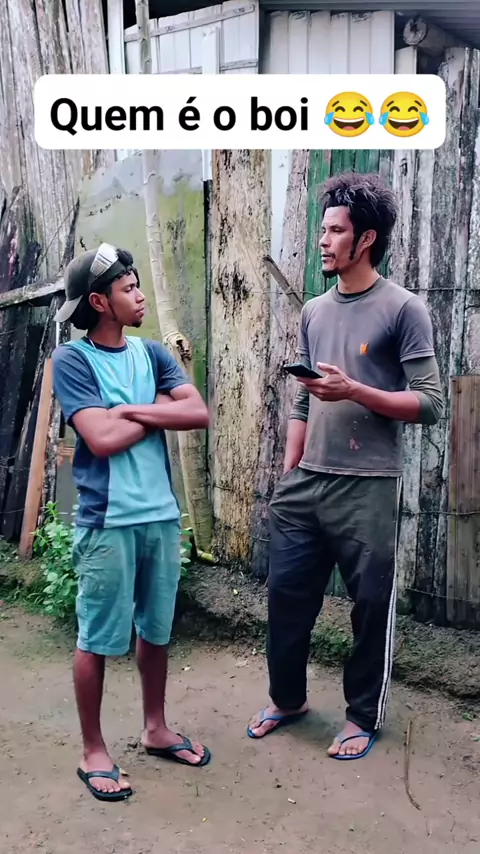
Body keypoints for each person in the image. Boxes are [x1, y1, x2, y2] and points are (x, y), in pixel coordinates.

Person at [248, 173, 443, 760]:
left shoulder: (403, 309)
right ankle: (287, 700)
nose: (323, 241)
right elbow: (305, 398)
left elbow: (430, 403)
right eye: (323, 230)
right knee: (286, 599)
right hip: (307, 483)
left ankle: (362, 716)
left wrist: (356, 390)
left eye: (335, 231)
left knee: (370, 608)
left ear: (366, 239)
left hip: (368, 487)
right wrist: (290, 471)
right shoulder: (314, 310)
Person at [52, 243, 211, 802]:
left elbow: (198, 412)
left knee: (157, 631)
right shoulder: (73, 361)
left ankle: (156, 728)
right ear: (99, 301)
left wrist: (131, 409)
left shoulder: (152, 354)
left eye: (139, 285)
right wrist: (158, 413)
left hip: (161, 517)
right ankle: (93, 750)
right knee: (97, 638)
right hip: (108, 521)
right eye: (128, 288)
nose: (139, 295)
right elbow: (100, 438)